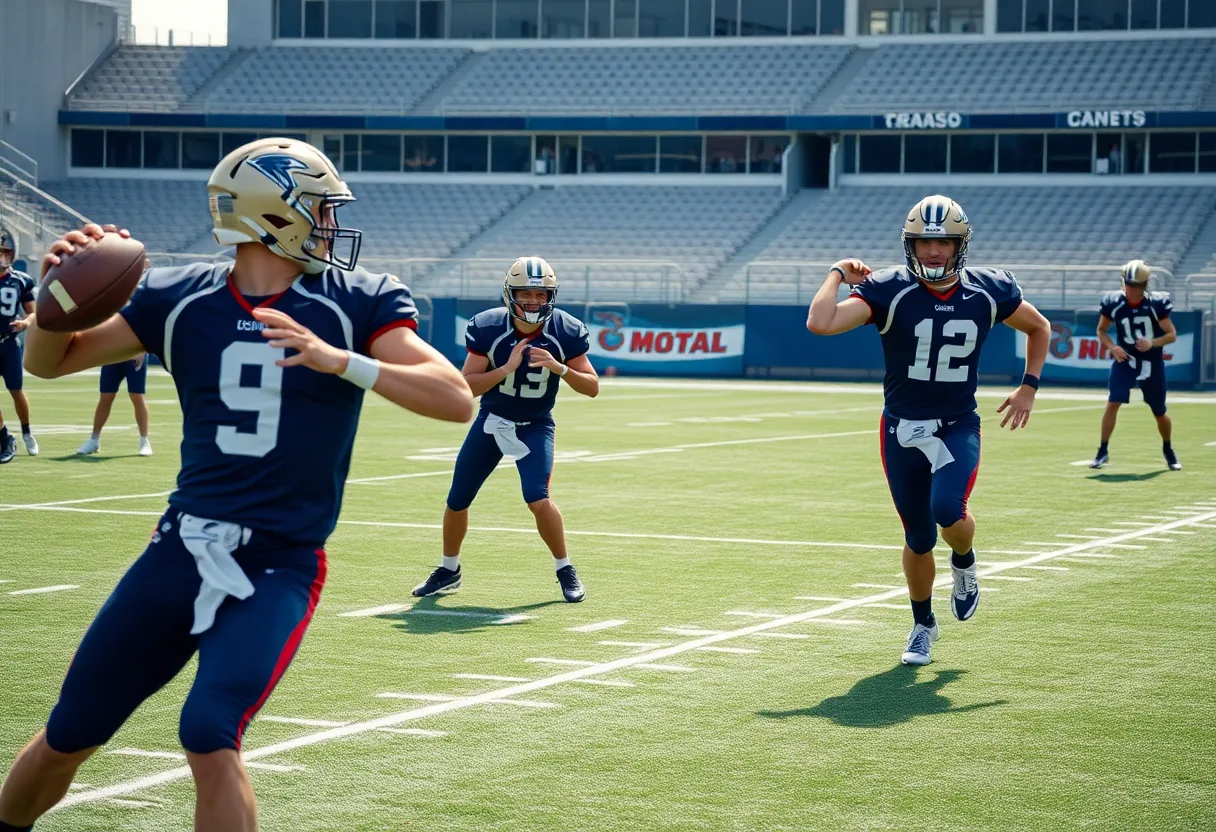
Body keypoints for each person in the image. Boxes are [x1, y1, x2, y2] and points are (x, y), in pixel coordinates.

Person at [0, 137, 473, 832]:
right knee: (70, 731)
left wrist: (338, 360)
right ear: (273, 214)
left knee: (209, 729)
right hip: (179, 549)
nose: (332, 226)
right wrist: (56, 297)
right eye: (320, 209)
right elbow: (51, 363)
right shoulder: (179, 296)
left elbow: (455, 396)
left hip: (279, 562)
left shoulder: (354, 301)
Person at [807, 195, 1050, 666]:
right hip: (901, 430)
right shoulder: (888, 289)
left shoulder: (988, 289)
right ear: (909, 245)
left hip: (957, 423)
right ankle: (923, 625)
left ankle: (965, 563)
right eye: (923, 242)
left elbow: (1038, 328)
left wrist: (1029, 388)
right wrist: (837, 272)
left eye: (943, 242)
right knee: (918, 536)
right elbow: (821, 322)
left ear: (961, 245)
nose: (933, 251)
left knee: (947, 510)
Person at [412, 256, 599, 604]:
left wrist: (560, 368)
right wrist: (506, 368)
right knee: (458, 498)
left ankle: (565, 569)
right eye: (526, 293)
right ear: (509, 294)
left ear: (551, 296)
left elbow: (591, 386)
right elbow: (466, 386)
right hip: (492, 421)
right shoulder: (487, 327)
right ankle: (448, 569)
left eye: (541, 294)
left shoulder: (566, 330)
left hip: (536, 425)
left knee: (537, 497)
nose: (533, 301)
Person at [1089, 260, 1180, 471]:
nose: (1131, 289)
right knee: (1113, 402)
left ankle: (1168, 448)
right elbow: (1101, 331)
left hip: (1151, 361)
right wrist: (1112, 347)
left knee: (1159, 410)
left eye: (1136, 285)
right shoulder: (1114, 302)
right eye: (1128, 284)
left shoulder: (1156, 304)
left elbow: (1171, 334)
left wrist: (1153, 343)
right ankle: (1102, 450)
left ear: (1145, 285)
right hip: (1125, 360)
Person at [0, 227, 38, 463]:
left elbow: (33, 313)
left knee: (16, 391)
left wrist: (25, 323)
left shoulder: (20, 281)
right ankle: (4, 436)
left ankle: (26, 432)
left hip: (9, 343)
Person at [77, 354, 153, 456]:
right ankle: (94, 440)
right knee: (106, 396)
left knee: (137, 395)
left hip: (135, 355)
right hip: (112, 356)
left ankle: (144, 441)